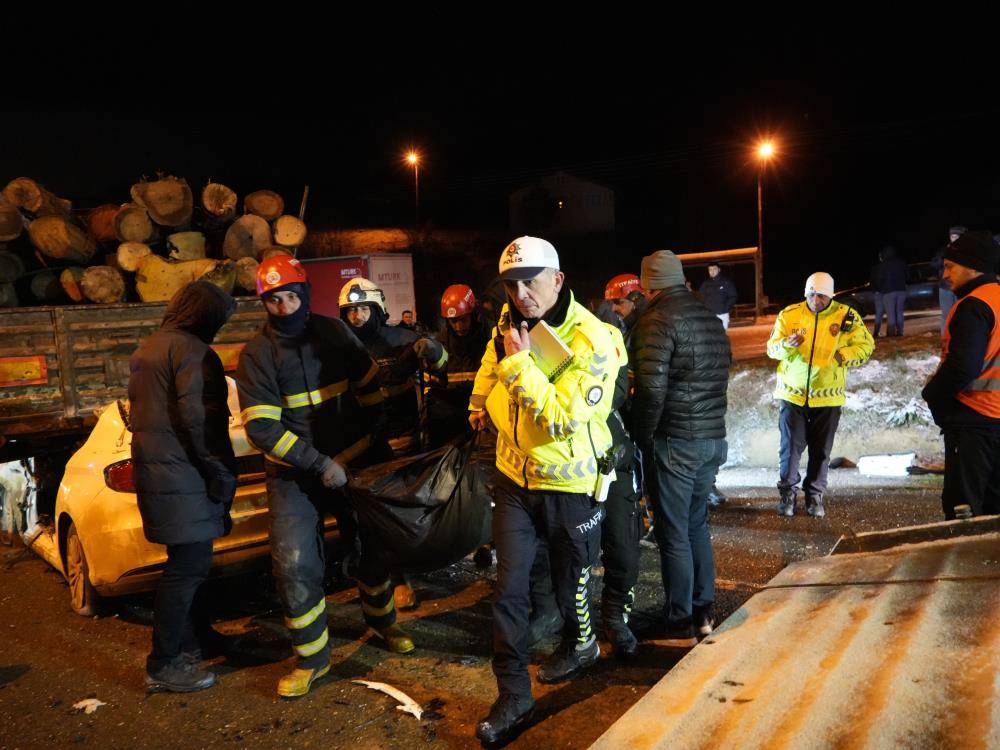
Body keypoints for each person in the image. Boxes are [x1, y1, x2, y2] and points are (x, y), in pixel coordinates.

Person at [236, 257, 414, 699]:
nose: (283, 307)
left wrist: (376, 433)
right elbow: (262, 429)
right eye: (273, 300)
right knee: (296, 564)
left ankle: (383, 623)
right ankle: (313, 660)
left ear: (306, 294)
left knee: (372, 546)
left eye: (291, 297)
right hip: (294, 477)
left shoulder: (334, 333)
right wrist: (318, 464)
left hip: (352, 464)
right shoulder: (257, 355)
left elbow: (368, 382)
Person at [469, 236, 615, 745]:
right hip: (513, 481)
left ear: (557, 278)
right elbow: (491, 364)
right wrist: (479, 399)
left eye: (530, 281)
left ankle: (582, 645)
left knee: (567, 583)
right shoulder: (509, 325)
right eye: (511, 284)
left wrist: (518, 366)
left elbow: (562, 419)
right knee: (507, 591)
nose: (520, 293)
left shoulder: (593, 339)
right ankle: (513, 696)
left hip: (571, 485)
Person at [129, 280, 238, 693]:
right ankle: (164, 663)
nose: (219, 330)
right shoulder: (194, 353)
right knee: (186, 570)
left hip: (163, 478)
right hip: (186, 479)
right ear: (203, 314)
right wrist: (223, 477)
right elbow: (203, 423)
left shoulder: (150, 348)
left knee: (189, 566)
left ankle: (194, 641)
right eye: (218, 320)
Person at [629, 250, 731, 644]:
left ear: (648, 285)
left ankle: (678, 619)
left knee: (673, 533)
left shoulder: (655, 320)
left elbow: (651, 391)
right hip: (712, 438)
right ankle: (703, 610)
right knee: (696, 525)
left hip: (676, 441)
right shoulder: (707, 317)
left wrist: (642, 434)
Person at [339, 277, 447, 609]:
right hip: (361, 444)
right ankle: (377, 574)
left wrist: (433, 350)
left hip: (403, 441)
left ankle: (404, 576)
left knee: (402, 514)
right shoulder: (341, 348)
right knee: (366, 517)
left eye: (362, 309)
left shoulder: (402, 339)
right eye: (350, 311)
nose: (357, 317)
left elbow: (444, 366)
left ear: (378, 309)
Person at [766, 272, 874, 518]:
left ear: (831, 295)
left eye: (822, 296)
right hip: (793, 395)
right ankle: (787, 494)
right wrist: (786, 345)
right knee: (790, 449)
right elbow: (772, 348)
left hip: (828, 396)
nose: (816, 300)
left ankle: (814, 495)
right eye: (812, 294)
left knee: (821, 450)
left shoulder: (845, 316)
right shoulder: (789, 314)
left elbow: (866, 345)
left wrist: (843, 356)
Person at [922, 231, 1000, 519]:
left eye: (950, 266)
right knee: (994, 514)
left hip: (973, 424)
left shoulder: (973, 305)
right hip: (995, 420)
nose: (944, 274)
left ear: (973, 266)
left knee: (963, 513)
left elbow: (962, 368)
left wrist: (931, 395)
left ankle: (962, 565)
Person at [593, 304, 641, 658]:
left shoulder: (619, 358)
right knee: (567, 555)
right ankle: (568, 625)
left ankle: (614, 616)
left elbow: (618, 396)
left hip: (616, 462)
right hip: (572, 470)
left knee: (623, 547)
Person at [425, 284, 493, 447]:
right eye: (453, 321)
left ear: (474, 314)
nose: (458, 326)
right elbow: (434, 385)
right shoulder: (442, 341)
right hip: (453, 415)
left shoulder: (489, 336)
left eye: (463, 320)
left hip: (484, 412)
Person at [932, 226, 968, 334]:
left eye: (957, 236)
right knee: (946, 315)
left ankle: (962, 338)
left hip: (962, 287)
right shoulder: (944, 250)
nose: (955, 239)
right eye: (952, 236)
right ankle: (946, 339)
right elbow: (934, 265)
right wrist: (942, 257)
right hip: (945, 288)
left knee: (963, 314)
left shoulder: (969, 251)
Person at [871, 245, 907, 337]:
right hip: (901, 290)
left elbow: (879, 279)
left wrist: (881, 289)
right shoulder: (901, 263)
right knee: (899, 312)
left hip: (889, 292)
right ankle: (900, 332)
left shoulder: (883, 265)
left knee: (891, 314)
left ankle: (891, 333)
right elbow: (907, 275)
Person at [698, 263, 738, 330]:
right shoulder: (705, 284)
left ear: (719, 270)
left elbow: (733, 296)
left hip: (722, 315)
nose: (712, 271)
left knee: (721, 336)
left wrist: (725, 308)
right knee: (711, 337)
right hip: (709, 316)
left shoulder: (726, 282)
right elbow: (700, 297)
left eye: (714, 269)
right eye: (710, 270)